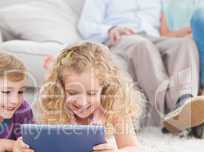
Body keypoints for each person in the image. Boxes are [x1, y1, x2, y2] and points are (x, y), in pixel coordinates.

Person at [77, 0, 204, 135]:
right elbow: (86, 25)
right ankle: (171, 115)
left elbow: (164, 29)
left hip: (154, 39)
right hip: (122, 39)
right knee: (143, 45)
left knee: (185, 44)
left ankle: (184, 101)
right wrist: (110, 29)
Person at [14, 42, 143, 152]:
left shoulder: (113, 105)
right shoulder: (56, 104)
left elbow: (133, 148)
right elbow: (39, 142)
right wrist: (21, 148)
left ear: (105, 89)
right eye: (72, 92)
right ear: (61, 89)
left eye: (91, 93)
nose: (82, 102)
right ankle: (51, 68)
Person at [160, 0, 204, 138]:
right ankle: (194, 110)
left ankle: (196, 111)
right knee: (198, 20)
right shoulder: (170, 5)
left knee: (199, 17)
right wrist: (182, 33)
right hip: (184, 45)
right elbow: (162, 35)